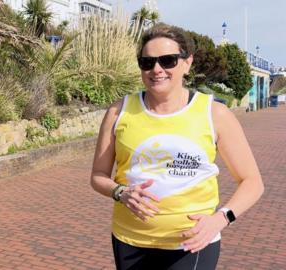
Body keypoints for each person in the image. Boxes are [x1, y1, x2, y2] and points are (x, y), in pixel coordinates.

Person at [90, 23, 263, 270]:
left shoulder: (214, 113)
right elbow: (98, 176)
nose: (156, 69)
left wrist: (221, 219)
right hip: (130, 240)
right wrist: (121, 192)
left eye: (168, 60)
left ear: (187, 63)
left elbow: (252, 182)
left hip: (191, 243)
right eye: (147, 62)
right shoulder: (119, 112)